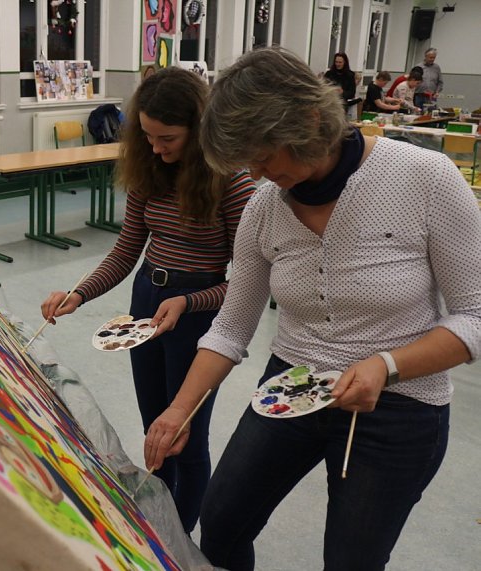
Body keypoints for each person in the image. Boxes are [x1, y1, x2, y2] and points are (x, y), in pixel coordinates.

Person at [144, 47, 481, 570]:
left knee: (351, 559)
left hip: (400, 403)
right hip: (293, 385)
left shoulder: (425, 179)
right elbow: (231, 328)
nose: (255, 172)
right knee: (223, 520)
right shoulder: (264, 207)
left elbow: (475, 316)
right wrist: (177, 411)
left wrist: (386, 366)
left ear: (310, 121)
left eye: (262, 155)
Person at [40, 66, 256, 534]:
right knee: (154, 429)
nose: (156, 148)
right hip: (147, 300)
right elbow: (125, 250)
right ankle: (159, 528)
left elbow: (249, 283)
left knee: (184, 435)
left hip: (198, 314)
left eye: (168, 139)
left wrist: (191, 302)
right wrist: (79, 293)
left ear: (199, 130)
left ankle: (176, 541)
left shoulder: (233, 180)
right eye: (148, 137)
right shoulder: (149, 168)